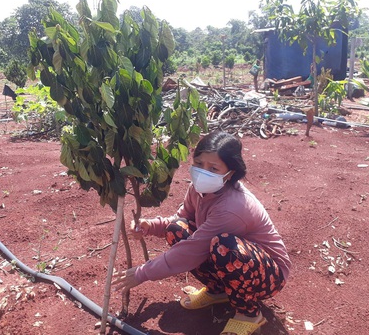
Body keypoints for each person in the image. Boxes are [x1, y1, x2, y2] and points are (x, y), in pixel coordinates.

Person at [112, 131, 291, 335]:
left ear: (230, 173)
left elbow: (192, 249)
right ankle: (218, 291)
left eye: (213, 168)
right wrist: (151, 226)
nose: (202, 172)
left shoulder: (232, 207)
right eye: (198, 164)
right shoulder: (198, 190)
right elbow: (182, 220)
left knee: (224, 246)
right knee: (177, 229)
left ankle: (249, 314)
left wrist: (143, 273)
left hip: (268, 275)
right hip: (237, 260)